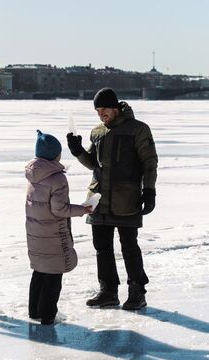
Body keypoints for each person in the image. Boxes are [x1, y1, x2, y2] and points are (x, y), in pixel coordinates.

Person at [66, 87, 158, 310]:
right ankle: (108, 291)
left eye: (104, 109)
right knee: (102, 247)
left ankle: (137, 291)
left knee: (129, 246)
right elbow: (93, 164)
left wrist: (150, 190)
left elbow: (150, 162)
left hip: (127, 199)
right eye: (97, 110)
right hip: (99, 199)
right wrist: (78, 151)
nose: (100, 113)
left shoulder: (138, 130)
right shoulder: (97, 132)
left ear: (116, 108)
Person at [25, 130, 92, 324]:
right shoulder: (57, 178)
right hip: (53, 234)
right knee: (53, 275)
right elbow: (60, 209)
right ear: (56, 154)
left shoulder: (33, 175)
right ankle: (48, 316)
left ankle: (34, 312)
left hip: (36, 234)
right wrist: (83, 209)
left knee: (39, 272)